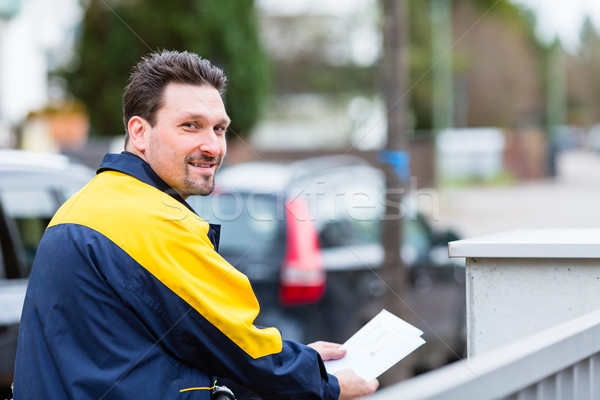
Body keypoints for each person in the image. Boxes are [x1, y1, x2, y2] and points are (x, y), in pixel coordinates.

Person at [13, 50, 379, 399]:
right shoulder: (147, 219)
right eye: (191, 126)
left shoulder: (91, 203)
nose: (212, 146)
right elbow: (238, 344)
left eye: (219, 129)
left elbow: (172, 351)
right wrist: (323, 383)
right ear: (139, 132)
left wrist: (298, 361)